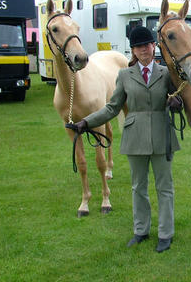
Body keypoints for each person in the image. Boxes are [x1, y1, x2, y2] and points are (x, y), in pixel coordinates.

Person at [74, 26, 182, 253]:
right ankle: (141, 230)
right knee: (138, 187)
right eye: (139, 46)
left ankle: (165, 233)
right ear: (133, 50)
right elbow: (112, 108)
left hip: (162, 134)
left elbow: (180, 97)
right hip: (135, 137)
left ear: (154, 46)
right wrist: (86, 122)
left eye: (147, 45)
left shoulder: (166, 73)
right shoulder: (124, 75)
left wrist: (177, 103)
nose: (144, 50)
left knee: (165, 187)